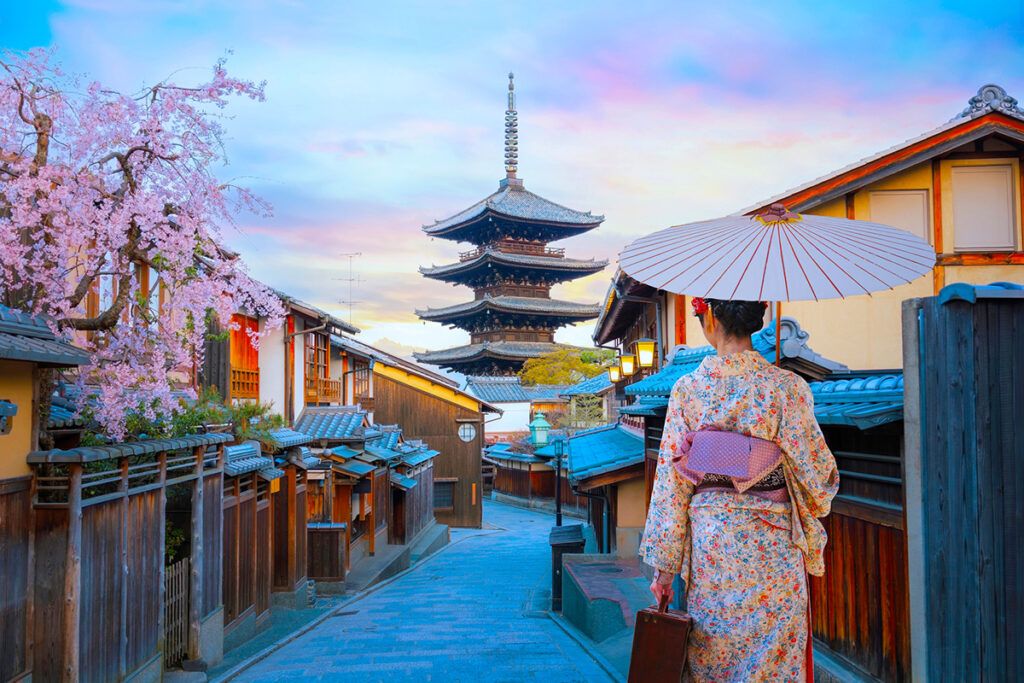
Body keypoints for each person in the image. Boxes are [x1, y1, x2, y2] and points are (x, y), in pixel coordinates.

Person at [639, 297, 839, 682]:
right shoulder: (787, 387)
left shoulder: (688, 390)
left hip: (714, 553)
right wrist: (769, 463)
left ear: (711, 317)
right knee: (772, 664)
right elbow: (819, 477)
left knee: (716, 660)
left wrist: (664, 572)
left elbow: (671, 484)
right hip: (773, 552)